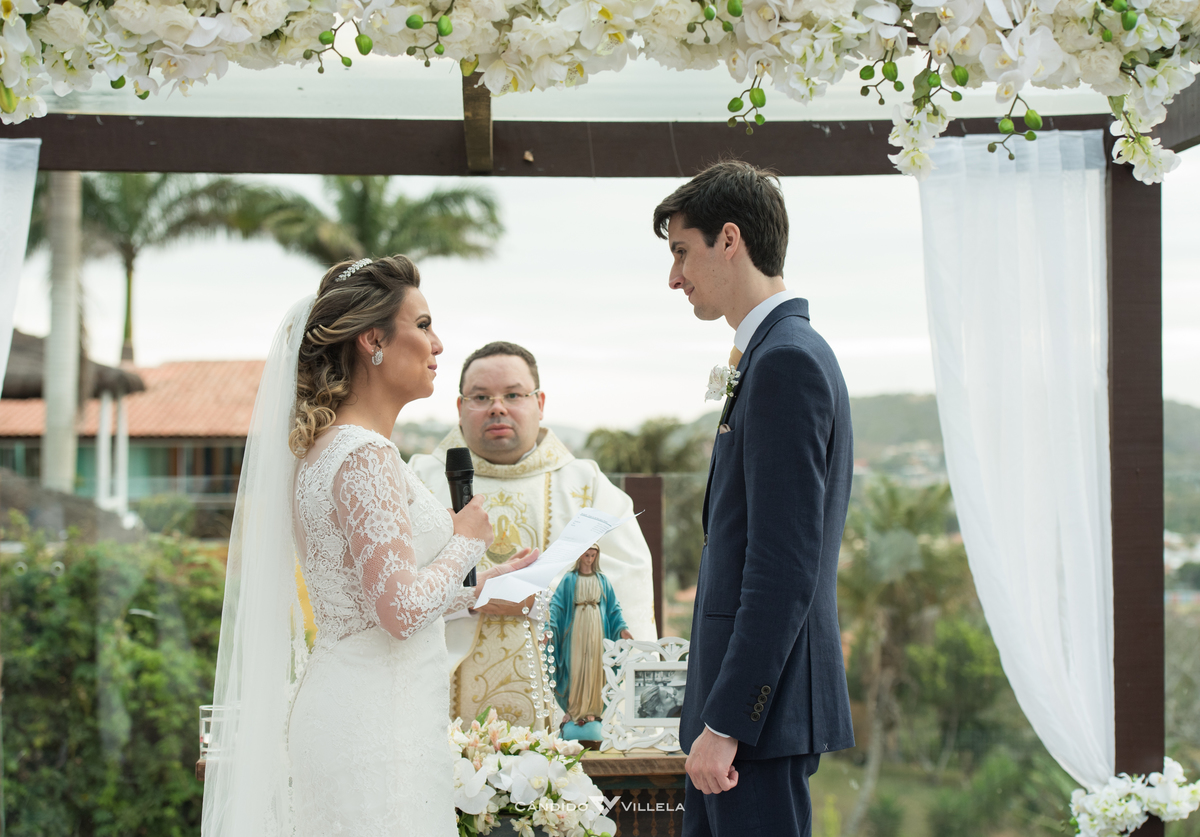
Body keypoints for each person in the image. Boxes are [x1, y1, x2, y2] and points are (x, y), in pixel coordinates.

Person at [200, 256, 536, 837]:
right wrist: (464, 542)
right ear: (373, 339)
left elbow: (367, 601)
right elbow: (398, 610)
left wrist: (479, 592)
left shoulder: (332, 448)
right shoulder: (362, 456)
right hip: (375, 723)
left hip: (362, 703)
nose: (438, 343)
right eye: (424, 324)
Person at [653, 162, 855, 837]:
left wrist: (727, 721)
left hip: (754, 730)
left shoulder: (786, 362)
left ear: (729, 239)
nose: (674, 276)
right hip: (745, 724)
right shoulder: (770, 352)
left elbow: (782, 565)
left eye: (682, 251)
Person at [410, 342, 657, 728]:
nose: (497, 407)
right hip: (436, 709)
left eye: (513, 394)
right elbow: (394, 587)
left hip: (566, 712)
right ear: (460, 408)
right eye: (481, 396)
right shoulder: (421, 479)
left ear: (540, 403)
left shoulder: (587, 485)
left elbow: (626, 589)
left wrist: (538, 600)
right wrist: (470, 598)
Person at [547, 545, 633, 739]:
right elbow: (556, 606)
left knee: (595, 669)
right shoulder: (569, 579)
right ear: (580, 555)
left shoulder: (602, 580)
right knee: (575, 668)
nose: (590, 559)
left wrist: (622, 628)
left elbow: (613, 608)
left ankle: (593, 711)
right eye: (587, 555)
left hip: (597, 630)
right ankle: (574, 710)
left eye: (593, 556)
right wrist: (549, 629)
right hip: (576, 630)